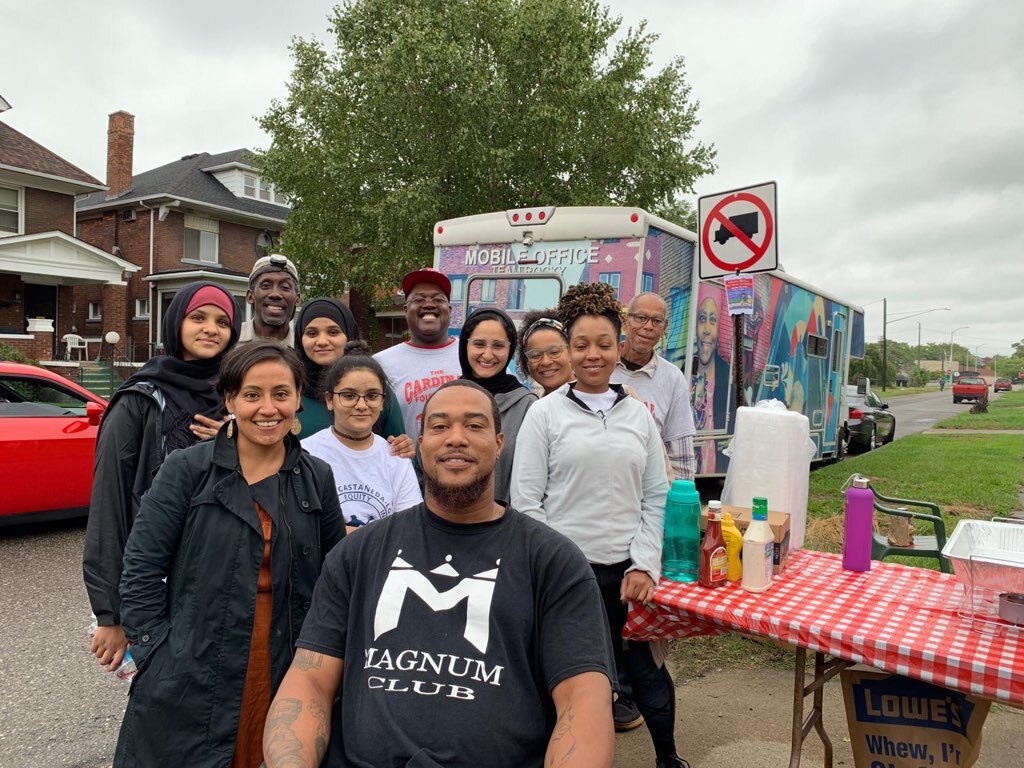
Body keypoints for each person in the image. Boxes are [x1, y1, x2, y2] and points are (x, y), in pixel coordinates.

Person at [262, 380, 615, 768]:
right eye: (440, 426)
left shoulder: (553, 561)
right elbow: (310, 679)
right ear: (421, 444)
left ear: (499, 443)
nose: (456, 438)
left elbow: (584, 697)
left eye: (474, 426)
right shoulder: (359, 552)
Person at [114, 341, 345, 768]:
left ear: (298, 398)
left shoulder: (317, 478)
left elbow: (335, 577)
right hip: (192, 662)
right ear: (230, 400)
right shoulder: (186, 469)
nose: (268, 408)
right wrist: (155, 652)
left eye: (281, 393)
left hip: (282, 662)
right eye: (252, 394)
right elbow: (141, 566)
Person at [511, 282, 688, 768]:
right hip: (566, 576)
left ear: (619, 346)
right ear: (569, 350)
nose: (593, 355)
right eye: (581, 345)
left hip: (627, 576)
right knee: (566, 680)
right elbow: (527, 504)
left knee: (646, 672)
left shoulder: (638, 415)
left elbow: (655, 496)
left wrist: (644, 564)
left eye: (604, 344)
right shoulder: (544, 415)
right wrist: (563, 569)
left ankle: (669, 758)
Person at [83, 281, 240, 675]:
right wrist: (110, 613)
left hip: (223, 579)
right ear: (175, 323)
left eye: (222, 322)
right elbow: (109, 505)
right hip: (156, 579)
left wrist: (237, 441)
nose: (211, 329)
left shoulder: (237, 399)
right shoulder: (140, 400)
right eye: (198, 317)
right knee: (161, 689)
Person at [301, 354, 421, 531]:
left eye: (372, 396)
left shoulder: (397, 457)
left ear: (383, 401)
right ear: (329, 400)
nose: (362, 405)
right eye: (349, 396)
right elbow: (304, 527)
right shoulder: (306, 454)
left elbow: (409, 526)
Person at [293, 297, 406, 445]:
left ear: (349, 334)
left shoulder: (375, 390)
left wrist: (402, 446)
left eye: (333, 332)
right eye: (312, 333)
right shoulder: (290, 389)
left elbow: (398, 447)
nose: (322, 342)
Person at [613, 292, 697, 483]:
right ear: (626, 321)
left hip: (648, 490)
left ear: (664, 328)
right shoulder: (602, 365)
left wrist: (680, 495)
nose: (648, 326)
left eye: (657, 321)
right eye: (641, 318)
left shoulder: (672, 378)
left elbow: (681, 456)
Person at [458, 307, 536, 504]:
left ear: (510, 349)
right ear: (465, 345)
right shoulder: (446, 399)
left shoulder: (527, 406)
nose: (487, 354)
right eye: (479, 344)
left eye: (498, 346)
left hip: (508, 518)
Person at [374, 267, 460, 437]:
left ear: (450, 311)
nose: (429, 304)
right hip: (406, 455)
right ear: (406, 310)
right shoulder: (380, 364)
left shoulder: (473, 356)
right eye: (418, 299)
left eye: (438, 299)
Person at [691, 287, 734, 474]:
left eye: (713, 320)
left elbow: (743, 419)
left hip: (717, 468)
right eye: (702, 319)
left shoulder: (729, 375)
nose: (707, 330)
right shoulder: (681, 372)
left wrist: (736, 438)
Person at [240, 254, 301, 345]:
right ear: (250, 296)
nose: (275, 294)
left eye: (285, 287)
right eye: (266, 286)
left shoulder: (305, 348)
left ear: (297, 299)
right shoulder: (228, 340)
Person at [516, 310, 574, 396]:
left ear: (572, 351)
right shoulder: (534, 403)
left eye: (554, 352)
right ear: (526, 363)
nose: (546, 362)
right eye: (535, 355)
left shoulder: (593, 398)